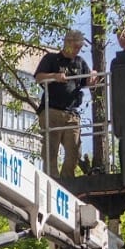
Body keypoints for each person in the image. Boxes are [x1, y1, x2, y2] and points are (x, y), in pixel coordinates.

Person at [34, 29, 96, 179]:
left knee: (74, 152)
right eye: (74, 47)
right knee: (51, 151)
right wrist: (55, 76)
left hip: (71, 114)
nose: (76, 51)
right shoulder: (51, 59)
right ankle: (51, 181)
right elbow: (39, 77)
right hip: (52, 111)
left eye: (79, 48)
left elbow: (87, 81)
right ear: (67, 43)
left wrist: (93, 76)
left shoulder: (80, 62)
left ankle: (67, 182)